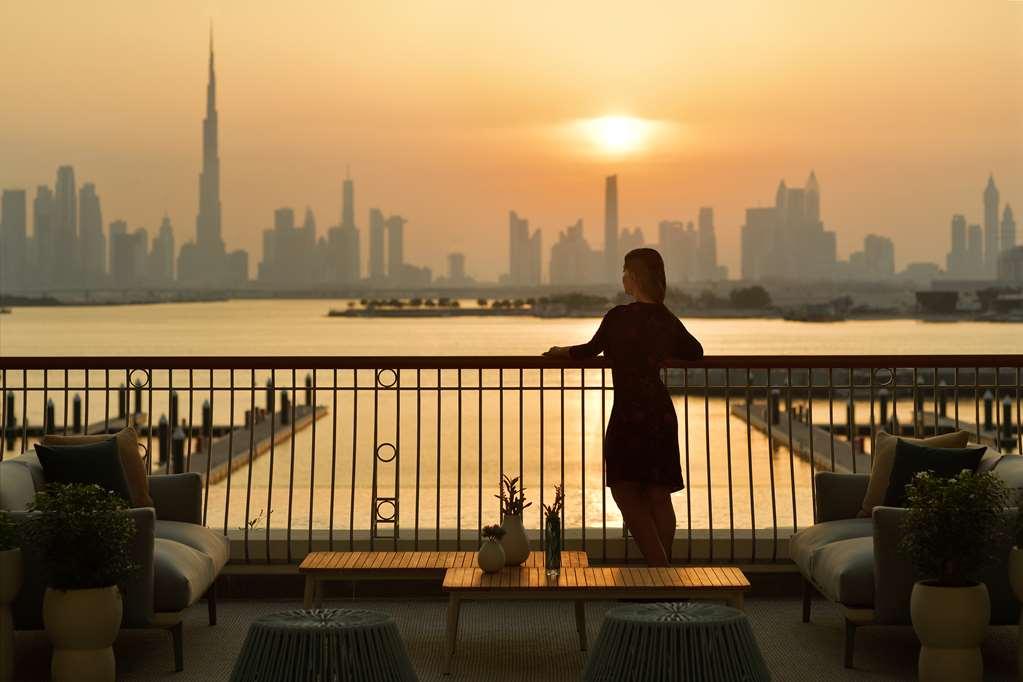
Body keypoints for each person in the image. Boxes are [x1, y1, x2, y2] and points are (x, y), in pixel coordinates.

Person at [544, 248, 703, 566]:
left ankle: (659, 571)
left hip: (629, 414)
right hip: (659, 413)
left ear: (634, 277)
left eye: (624, 271)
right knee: (658, 495)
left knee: (624, 491)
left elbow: (588, 351)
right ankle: (662, 578)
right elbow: (695, 352)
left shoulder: (619, 317)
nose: (622, 277)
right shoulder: (665, 319)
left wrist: (560, 350)